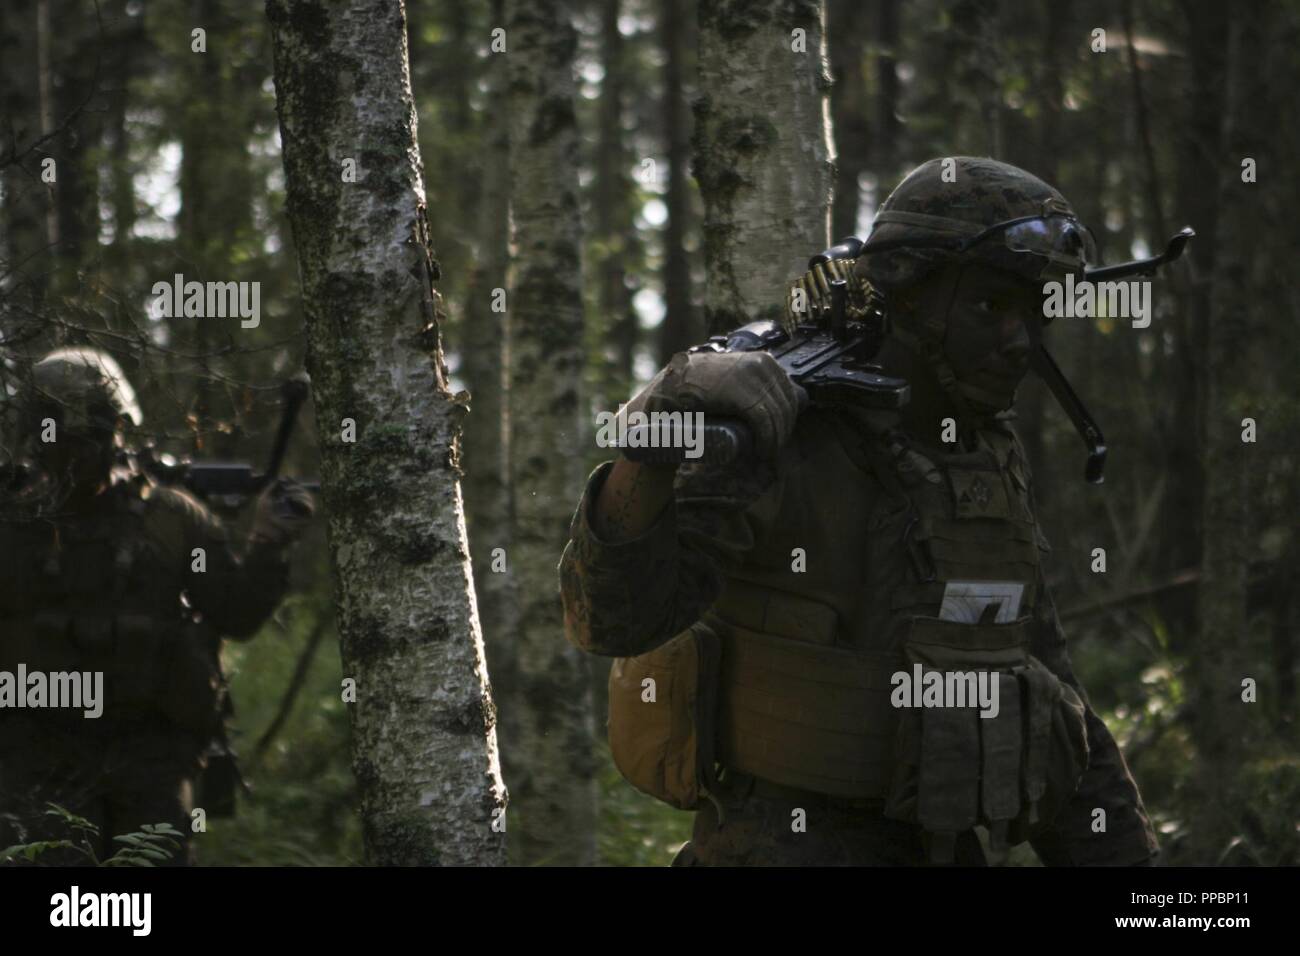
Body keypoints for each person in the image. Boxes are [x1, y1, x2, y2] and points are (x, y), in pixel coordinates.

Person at [559, 157, 1159, 866]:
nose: (1019, 341)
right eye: (989, 307)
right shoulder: (787, 435)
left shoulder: (984, 457)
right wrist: (653, 445)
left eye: (1032, 312)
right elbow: (612, 620)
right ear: (907, 297)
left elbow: (1046, 681)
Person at [0, 347, 313, 865]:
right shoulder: (12, 524)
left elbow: (235, 612)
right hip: (38, 761)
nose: (81, 451)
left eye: (94, 433)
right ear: (39, 435)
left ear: (117, 431)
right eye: (65, 434)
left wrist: (266, 544)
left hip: (149, 762)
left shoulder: (167, 519)